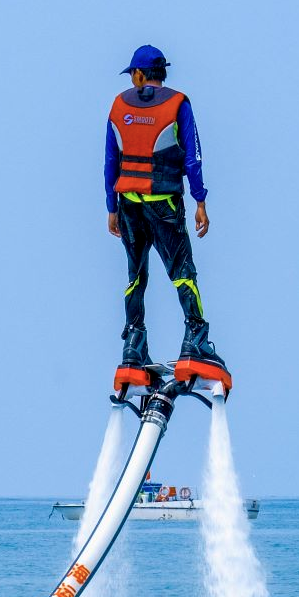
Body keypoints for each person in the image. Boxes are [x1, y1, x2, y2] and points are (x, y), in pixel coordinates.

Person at [105, 44, 228, 382]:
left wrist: (110, 207)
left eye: (133, 73)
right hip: (165, 203)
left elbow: (110, 161)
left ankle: (133, 345)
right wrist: (200, 200)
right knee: (182, 271)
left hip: (128, 202)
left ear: (140, 74)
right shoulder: (178, 104)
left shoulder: (118, 105)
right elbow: (193, 157)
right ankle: (196, 339)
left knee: (136, 276)